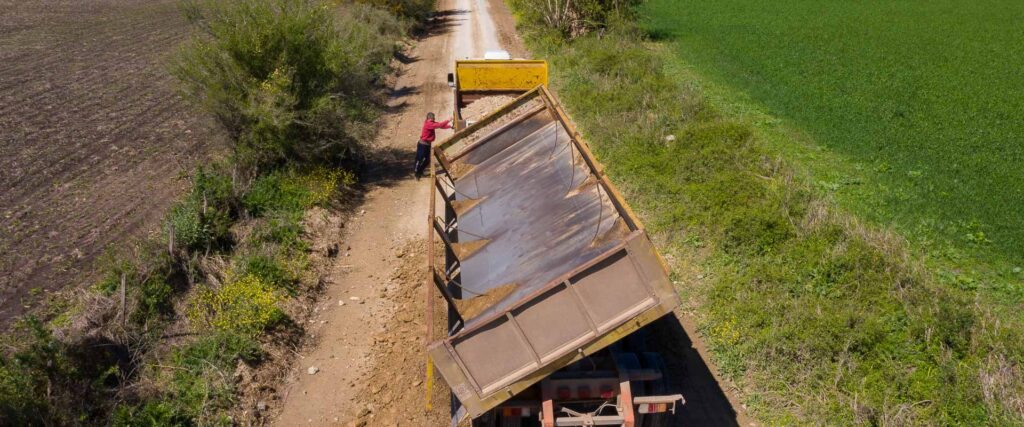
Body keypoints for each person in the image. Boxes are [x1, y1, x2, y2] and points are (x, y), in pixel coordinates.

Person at [415, 112, 452, 178]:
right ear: (431, 118)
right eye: (433, 118)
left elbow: (440, 126)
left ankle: (420, 171)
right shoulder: (429, 124)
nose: (434, 119)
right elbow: (439, 125)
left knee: (427, 160)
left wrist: (450, 126)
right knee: (419, 159)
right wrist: (448, 120)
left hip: (427, 145)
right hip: (422, 145)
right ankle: (417, 173)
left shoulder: (431, 123)